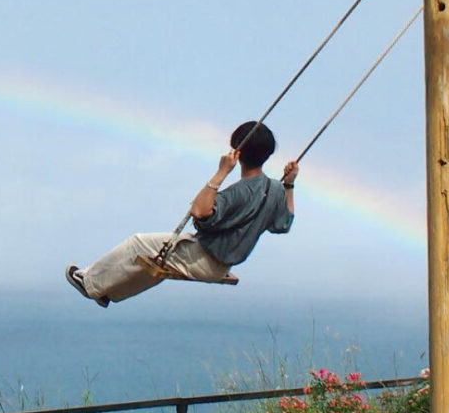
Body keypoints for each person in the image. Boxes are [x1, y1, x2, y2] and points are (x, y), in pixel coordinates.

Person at [65, 120, 298, 306]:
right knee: (155, 263)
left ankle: (90, 282)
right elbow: (284, 224)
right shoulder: (275, 190)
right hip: (222, 266)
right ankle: (108, 292)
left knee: (137, 244)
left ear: (237, 152)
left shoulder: (239, 191)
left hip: (204, 257)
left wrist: (221, 173)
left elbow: (199, 211)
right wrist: (289, 184)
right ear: (267, 154)